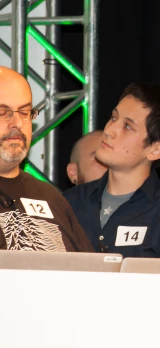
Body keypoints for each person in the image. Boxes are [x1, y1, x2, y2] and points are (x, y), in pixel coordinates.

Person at [63, 82, 160, 258]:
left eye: (128, 126)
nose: (109, 130)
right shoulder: (68, 203)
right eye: (113, 118)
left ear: (155, 150)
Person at [0, 66, 93, 252]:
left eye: (25, 113)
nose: (17, 123)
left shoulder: (50, 196)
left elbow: (91, 273)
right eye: (3, 112)